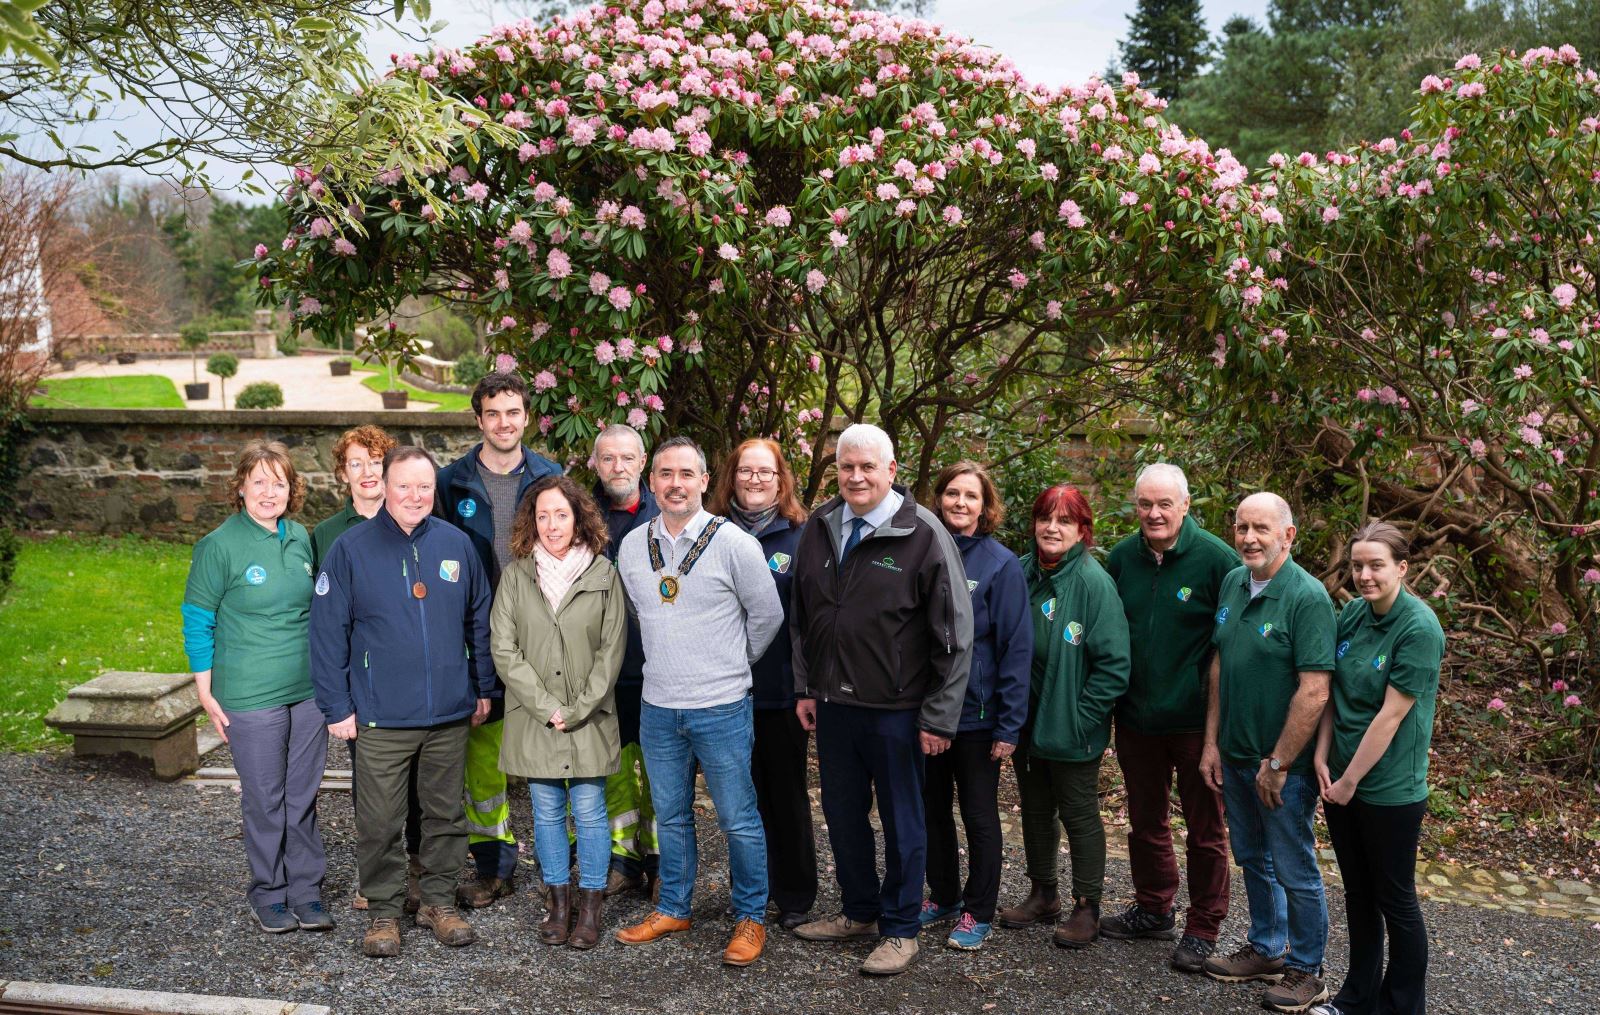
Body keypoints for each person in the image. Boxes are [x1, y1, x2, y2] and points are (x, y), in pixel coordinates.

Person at [790, 423, 974, 977]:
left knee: (902, 821)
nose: (856, 476)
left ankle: (899, 928)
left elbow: (955, 633)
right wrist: (806, 686)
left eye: (868, 467)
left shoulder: (922, 532)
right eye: (847, 467)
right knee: (842, 816)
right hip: (834, 706)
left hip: (899, 711)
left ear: (892, 471)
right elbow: (803, 617)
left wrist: (939, 716)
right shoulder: (821, 526)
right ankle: (859, 911)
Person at [310, 446, 496, 958]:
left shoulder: (458, 544)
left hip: (447, 715)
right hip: (378, 716)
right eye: (404, 485)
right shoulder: (350, 549)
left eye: (424, 486)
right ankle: (385, 911)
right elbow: (327, 634)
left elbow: (478, 621)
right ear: (385, 487)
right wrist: (336, 707)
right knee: (380, 821)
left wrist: (483, 689)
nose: (414, 496)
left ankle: (437, 900)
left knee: (444, 815)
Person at [612, 436, 784, 967]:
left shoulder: (735, 544)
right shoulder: (632, 547)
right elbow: (645, 615)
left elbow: (768, 618)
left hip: (722, 705)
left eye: (687, 474)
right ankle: (673, 906)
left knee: (737, 818)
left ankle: (750, 917)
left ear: (705, 481)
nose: (675, 484)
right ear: (652, 481)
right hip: (659, 705)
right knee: (671, 814)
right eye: (665, 474)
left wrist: (731, 664)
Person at [182, 440, 331, 934]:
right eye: (260, 481)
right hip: (249, 694)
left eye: (280, 482)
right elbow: (197, 621)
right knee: (265, 797)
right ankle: (268, 891)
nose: (270, 492)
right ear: (241, 486)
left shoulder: (301, 537)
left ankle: (306, 890)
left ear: (293, 490)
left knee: (302, 795)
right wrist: (205, 691)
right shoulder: (219, 545)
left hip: (307, 691)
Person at [1101, 463, 1238, 972]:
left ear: (1185, 505)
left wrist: (1219, 732)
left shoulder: (1219, 562)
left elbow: (1234, 643)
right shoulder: (1121, 559)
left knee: (1206, 829)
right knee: (1145, 821)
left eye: (1164, 504)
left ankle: (1204, 926)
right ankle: (1155, 907)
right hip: (1136, 716)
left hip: (1195, 722)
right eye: (1145, 504)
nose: (1154, 514)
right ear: (1134, 505)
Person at [1201, 492, 1334, 1013]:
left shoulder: (1307, 597)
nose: (1249, 538)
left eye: (1261, 528)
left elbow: (1315, 690)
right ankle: (1266, 948)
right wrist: (1212, 742)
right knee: (1251, 857)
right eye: (1241, 527)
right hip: (1233, 755)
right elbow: (1221, 663)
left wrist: (1277, 763)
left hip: (1284, 767)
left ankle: (1308, 970)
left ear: (1288, 535)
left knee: (1293, 866)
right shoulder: (1235, 582)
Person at [434, 372, 562, 908]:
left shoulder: (551, 475)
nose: (503, 423)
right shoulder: (452, 482)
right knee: (484, 758)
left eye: (513, 412)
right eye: (493, 413)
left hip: (542, 635)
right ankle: (494, 865)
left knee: (559, 750)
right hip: (480, 637)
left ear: (526, 417)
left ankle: (568, 868)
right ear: (479, 419)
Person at [1309, 523, 1444, 1015]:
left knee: (1395, 900)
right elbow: (1333, 691)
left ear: (1403, 568)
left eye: (1376, 565)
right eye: (1358, 565)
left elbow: (1390, 716)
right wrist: (1322, 755)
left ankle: (1402, 1006)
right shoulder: (1352, 614)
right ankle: (1356, 998)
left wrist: (1349, 780)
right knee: (1357, 894)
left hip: (1388, 790)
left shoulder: (1420, 628)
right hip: (1339, 777)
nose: (1364, 575)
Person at [490, 475, 626, 950]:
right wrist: (548, 708)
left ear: (579, 518)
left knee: (589, 812)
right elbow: (503, 650)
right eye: (542, 515)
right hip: (535, 718)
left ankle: (590, 909)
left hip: (590, 717)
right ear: (532, 521)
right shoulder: (515, 576)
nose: (551, 524)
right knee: (546, 813)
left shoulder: (605, 576)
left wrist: (579, 707)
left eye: (561, 514)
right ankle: (558, 904)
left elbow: (612, 650)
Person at [997, 484, 1130, 950]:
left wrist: (1079, 719)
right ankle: (1042, 893)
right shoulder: (1019, 572)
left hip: (1072, 729)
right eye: (1045, 518)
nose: (1052, 528)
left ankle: (1086, 907)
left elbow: (1114, 667)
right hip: (1026, 722)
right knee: (1035, 810)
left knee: (1079, 815)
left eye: (1065, 520)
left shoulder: (1094, 584)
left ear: (1082, 530)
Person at [917, 461, 1030, 951]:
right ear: (938, 498)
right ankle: (942, 894)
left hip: (979, 718)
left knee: (979, 817)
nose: (960, 503)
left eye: (971, 496)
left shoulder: (999, 564)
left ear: (985, 508)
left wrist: (1010, 725)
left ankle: (978, 909)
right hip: (925, 713)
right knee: (930, 810)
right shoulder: (918, 550)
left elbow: (1015, 648)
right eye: (952, 494)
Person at [707, 438, 817, 931]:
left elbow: (811, 621)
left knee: (786, 794)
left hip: (781, 692)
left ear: (781, 479)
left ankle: (794, 894)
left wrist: (806, 688)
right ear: (731, 477)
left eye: (765, 472)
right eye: (746, 471)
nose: (755, 480)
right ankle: (751, 891)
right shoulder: (709, 535)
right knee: (738, 800)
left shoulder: (802, 537)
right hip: (724, 690)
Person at [310, 424, 419, 914]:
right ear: (343, 473)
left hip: (414, 680)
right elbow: (324, 619)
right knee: (372, 788)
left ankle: (417, 872)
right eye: (357, 463)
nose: (368, 472)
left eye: (376, 462)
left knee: (421, 784)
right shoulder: (327, 535)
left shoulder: (417, 523)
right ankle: (374, 875)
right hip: (364, 683)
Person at [590, 423, 661, 897]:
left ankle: (660, 860)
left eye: (627, 458)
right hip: (599, 667)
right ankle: (622, 859)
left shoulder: (666, 516)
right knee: (610, 766)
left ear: (642, 463)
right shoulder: (579, 515)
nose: (618, 467)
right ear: (595, 464)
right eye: (608, 458)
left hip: (654, 665)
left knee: (659, 766)